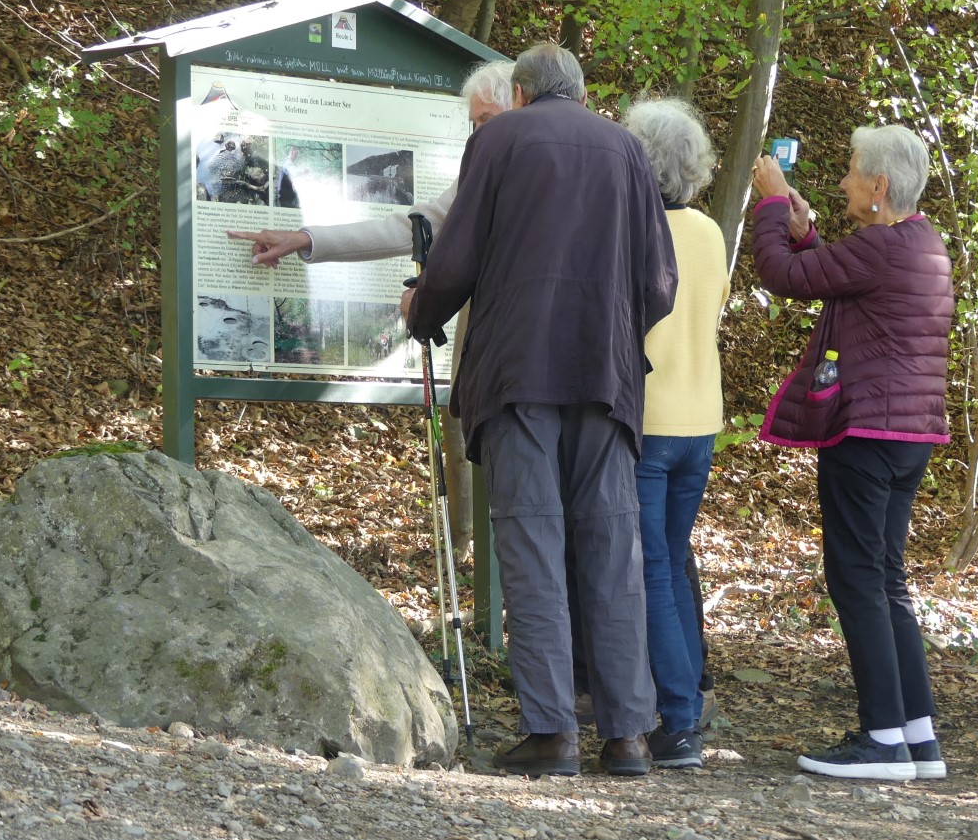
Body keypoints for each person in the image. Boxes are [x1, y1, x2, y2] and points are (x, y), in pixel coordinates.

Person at [402, 43, 678, 778]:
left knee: (531, 542)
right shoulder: (626, 150)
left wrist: (421, 309)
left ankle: (552, 730)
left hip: (520, 370)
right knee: (612, 548)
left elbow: (455, 259)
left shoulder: (498, 140)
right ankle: (628, 735)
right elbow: (658, 282)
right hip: (608, 375)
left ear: (519, 94)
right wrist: (613, 331)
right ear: (581, 94)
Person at [751, 125, 953, 781]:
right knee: (885, 577)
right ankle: (916, 736)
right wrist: (807, 231)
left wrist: (774, 205)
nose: (841, 181)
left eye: (849, 171)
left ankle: (881, 741)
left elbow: (782, 275)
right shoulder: (918, 243)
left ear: (879, 186)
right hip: (910, 435)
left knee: (857, 579)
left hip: (866, 432)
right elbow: (835, 277)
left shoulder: (881, 248)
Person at [621, 97, 730, 769]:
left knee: (655, 568)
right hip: (702, 420)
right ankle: (687, 705)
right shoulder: (711, 231)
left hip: (651, 416)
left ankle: (679, 719)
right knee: (672, 558)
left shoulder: (635, 229)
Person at [226, 61, 515, 267]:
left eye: (486, 120)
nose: (478, 134)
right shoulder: (481, 174)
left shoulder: (547, 176)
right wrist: (305, 239)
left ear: (519, 107)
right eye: (475, 123)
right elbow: (409, 229)